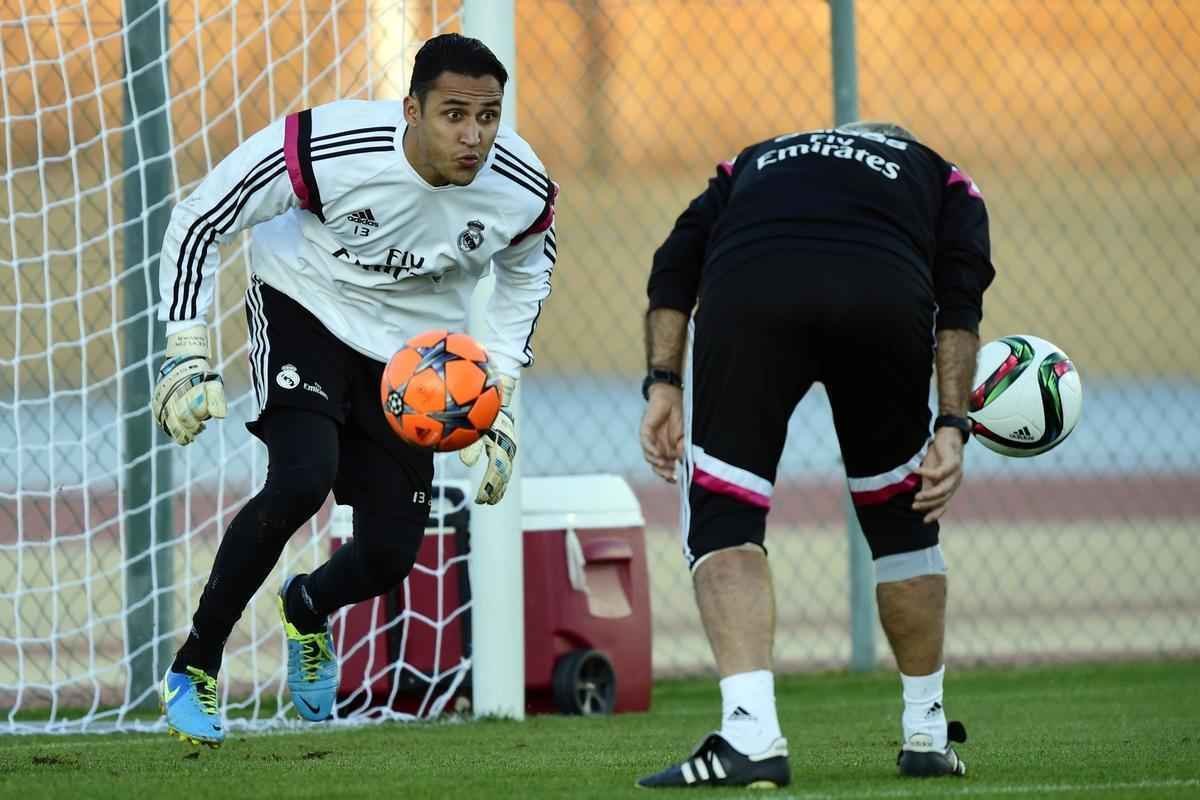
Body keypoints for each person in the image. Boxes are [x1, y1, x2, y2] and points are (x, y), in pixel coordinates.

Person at [151, 33, 556, 747]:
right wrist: (184, 350)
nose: (474, 136)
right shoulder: (327, 147)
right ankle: (197, 661)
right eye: (453, 115)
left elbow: (528, 273)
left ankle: (307, 605)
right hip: (304, 305)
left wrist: (498, 394)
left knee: (391, 554)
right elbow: (200, 217)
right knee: (304, 478)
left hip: (413, 358)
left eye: (488, 116)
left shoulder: (522, 190)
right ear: (411, 110)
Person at [637, 122, 994, 786]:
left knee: (725, 517)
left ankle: (750, 734)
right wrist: (952, 424)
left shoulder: (750, 160)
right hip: (884, 297)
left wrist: (663, 384)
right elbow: (960, 304)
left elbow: (675, 262)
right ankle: (925, 731)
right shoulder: (944, 176)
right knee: (902, 522)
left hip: (753, 292)